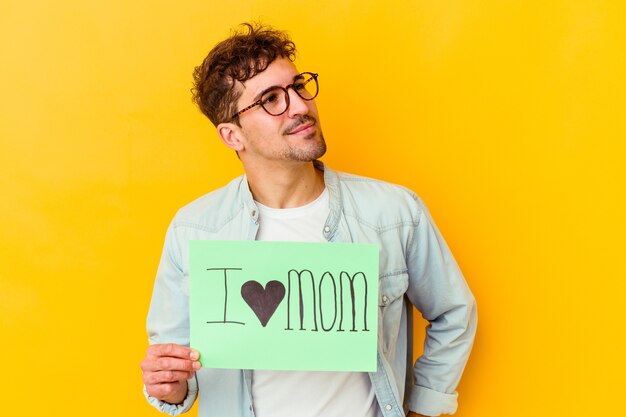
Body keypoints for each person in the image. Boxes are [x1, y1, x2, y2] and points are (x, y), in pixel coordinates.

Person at [140, 23, 477, 417]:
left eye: (298, 86)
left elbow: (454, 310)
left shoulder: (394, 213)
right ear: (233, 136)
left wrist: (424, 405)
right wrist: (171, 383)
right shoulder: (194, 231)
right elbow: (177, 374)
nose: (300, 106)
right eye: (270, 99)